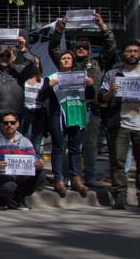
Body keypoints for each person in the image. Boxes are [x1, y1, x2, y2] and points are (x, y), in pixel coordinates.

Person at [49, 13, 116, 188]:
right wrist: (60, 29)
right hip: (67, 108)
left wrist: (102, 25)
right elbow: (54, 48)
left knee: (89, 144)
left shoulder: (97, 62)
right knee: (66, 144)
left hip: (89, 108)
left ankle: (90, 176)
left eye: (85, 47)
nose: (81, 49)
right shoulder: (67, 62)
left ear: (90, 49)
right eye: (78, 46)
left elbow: (110, 46)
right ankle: (65, 176)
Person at [99, 40, 140, 211]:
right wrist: (111, 93)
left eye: (136, 51)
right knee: (118, 162)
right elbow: (101, 99)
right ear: (123, 53)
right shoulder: (114, 73)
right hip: (120, 123)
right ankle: (120, 195)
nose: (132, 54)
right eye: (129, 51)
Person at [41, 50, 94, 197]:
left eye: (68, 58)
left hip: (75, 113)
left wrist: (90, 86)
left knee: (75, 147)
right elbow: (41, 96)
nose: (66, 60)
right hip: (57, 114)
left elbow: (90, 96)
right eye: (63, 58)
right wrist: (48, 86)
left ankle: (76, 178)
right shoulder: (51, 77)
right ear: (59, 62)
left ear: (73, 61)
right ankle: (58, 179)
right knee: (58, 146)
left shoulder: (81, 77)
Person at [0, 112, 45, 210]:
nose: (9, 125)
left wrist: (39, 163)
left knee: (41, 174)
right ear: (1, 124)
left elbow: (33, 158)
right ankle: (0, 197)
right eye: (6, 123)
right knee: (9, 186)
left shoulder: (26, 141)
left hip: (19, 175)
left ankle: (18, 197)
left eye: (12, 122)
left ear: (17, 124)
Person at [22, 55, 46, 155]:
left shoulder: (44, 81)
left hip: (38, 115)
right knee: (26, 142)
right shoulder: (21, 81)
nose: (34, 65)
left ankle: (36, 168)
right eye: (31, 62)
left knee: (36, 144)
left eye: (36, 63)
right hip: (25, 115)